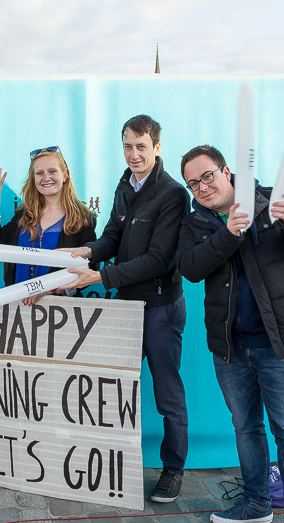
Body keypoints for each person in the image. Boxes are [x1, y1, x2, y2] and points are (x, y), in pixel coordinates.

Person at [175, 145, 284, 523]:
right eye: (193, 183)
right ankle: (257, 504)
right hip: (230, 347)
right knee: (246, 428)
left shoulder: (270, 202)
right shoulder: (196, 223)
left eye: (207, 176)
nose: (202, 187)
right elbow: (191, 268)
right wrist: (228, 234)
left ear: (226, 171)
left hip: (280, 343)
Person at [59, 115, 190, 503]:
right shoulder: (124, 183)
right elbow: (113, 236)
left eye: (141, 147)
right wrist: (86, 251)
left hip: (160, 309)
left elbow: (159, 259)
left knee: (168, 395)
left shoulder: (172, 194)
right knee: (115, 389)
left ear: (157, 148)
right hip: (125, 308)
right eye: (128, 147)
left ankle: (173, 470)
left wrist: (98, 277)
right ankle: (114, 463)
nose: (134, 155)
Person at [0, 146, 96, 305]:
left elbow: (88, 271)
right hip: (16, 306)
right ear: (34, 179)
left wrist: (49, 290)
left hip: (58, 311)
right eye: (39, 173)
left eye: (52, 171)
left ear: (65, 175)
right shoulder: (23, 214)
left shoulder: (83, 219)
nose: (46, 177)